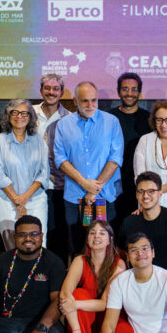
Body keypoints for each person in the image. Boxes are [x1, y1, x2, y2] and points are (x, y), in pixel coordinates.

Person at [54, 81, 124, 258]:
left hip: (105, 196)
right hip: (74, 197)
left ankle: (103, 284)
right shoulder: (63, 124)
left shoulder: (112, 122)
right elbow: (60, 159)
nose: (90, 105)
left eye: (94, 100)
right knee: (78, 247)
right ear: (75, 100)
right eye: (85, 101)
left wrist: (94, 190)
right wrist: (84, 183)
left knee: (105, 247)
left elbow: (115, 158)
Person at [58, 220, 134, 333]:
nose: (96, 236)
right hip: (85, 319)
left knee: (126, 332)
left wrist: (75, 304)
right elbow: (65, 295)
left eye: (101, 233)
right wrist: (76, 331)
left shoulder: (118, 264)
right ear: (87, 239)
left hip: (107, 316)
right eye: (92, 233)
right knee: (78, 293)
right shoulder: (80, 261)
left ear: (110, 239)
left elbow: (106, 303)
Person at [120, 172, 167, 317]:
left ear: (160, 194)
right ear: (136, 195)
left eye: (151, 191)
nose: (145, 196)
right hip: (141, 279)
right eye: (141, 191)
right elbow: (121, 257)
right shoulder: (129, 222)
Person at [0, 99, 48, 250]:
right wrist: (17, 201)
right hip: (5, 201)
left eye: (24, 113)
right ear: (8, 116)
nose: (19, 116)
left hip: (35, 200)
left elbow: (43, 174)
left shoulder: (39, 141)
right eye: (14, 112)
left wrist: (25, 198)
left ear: (30, 116)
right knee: (13, 246)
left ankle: (38, 275)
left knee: (38, 245)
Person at [108, 72, 152, 223]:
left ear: (139, 92)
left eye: (134, 89)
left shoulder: (149, 119)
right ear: (118, 91)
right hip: (111, 180)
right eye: (125, 89)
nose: (130, 94)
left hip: (138, 181)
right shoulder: (108, 118)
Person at [36, 73, 71, 258]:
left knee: (59, 235)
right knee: (36, 234)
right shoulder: (28, 113)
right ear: (41, 90)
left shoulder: (70, 119)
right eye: (47, 88)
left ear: (61, 92)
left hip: (59, 186)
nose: (51, 92)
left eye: (55, 89)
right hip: (32, 186)